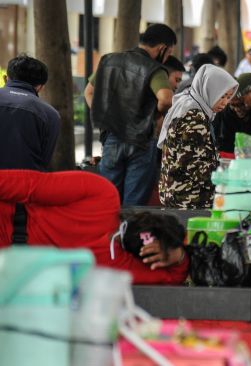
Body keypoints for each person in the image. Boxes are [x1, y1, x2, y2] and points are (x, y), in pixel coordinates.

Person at [0, 169, 188, 285]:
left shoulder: (120, 266)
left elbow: (174, 278)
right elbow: (30, 185)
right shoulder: (102, 195)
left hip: (10, 269)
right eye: (150, 236)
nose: (145, 242)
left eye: (151, 251)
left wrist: (176, 256)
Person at [84, 23, 176, 206]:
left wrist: (107, 115)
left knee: (108, 200)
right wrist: (150, 115)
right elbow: (166, 99)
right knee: (133, 205)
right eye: (169, 53)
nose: (167, 58)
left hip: (111, 138)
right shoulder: (154, 69)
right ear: (162, 48)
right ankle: (127, 234)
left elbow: (89, 92)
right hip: (141, 142)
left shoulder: (108, 61)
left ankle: (109, 234)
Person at [158, 64, 237, 209]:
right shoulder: (195, 118)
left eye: (228, 97)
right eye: (222, 96)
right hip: (188, 201)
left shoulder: (191, 106)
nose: (225, 103)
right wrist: (232, 175)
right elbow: (196, 167)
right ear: (209, 90)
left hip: (178, 194)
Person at [0, 54, 60, 171]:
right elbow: (44, 159)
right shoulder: (51, 115)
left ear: (6, 78)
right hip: (26, 185)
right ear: (40, 87)